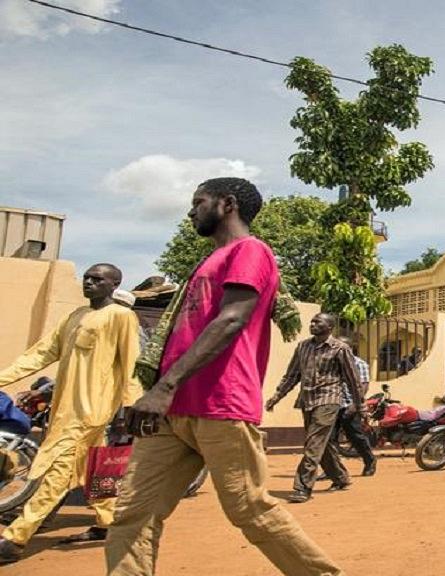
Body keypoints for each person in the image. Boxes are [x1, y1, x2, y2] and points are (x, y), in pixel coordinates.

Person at [105, 178, 341, 575]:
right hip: (172, 411)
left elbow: (232, 319)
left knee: (250, 510)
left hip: (220, 405)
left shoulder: (251, 251)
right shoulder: (205, 263)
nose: (191, 211)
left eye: (199, 202)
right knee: (133, 513)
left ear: (227, 204)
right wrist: (158, 392)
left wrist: (164, 386)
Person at [0, 263, 141, 564]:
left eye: (98, 279)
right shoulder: (75, 316)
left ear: (114, 284)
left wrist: (132, 408)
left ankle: (16, 537)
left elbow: (131, 364)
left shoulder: (121, 316)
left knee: (59, 473)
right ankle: (106, 521)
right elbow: (41, 353)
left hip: (92, 411)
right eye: (87, 278)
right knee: (97, 468)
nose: (89, 283)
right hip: (66, 410)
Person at [266, 312, 364, 502]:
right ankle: (340, 477)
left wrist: (359, 405)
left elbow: (353, 380)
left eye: (317, 322)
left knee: (313, 444)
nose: (312, 324)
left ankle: (302, 487)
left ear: (329, 327)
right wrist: (277, 396)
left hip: (329, 400)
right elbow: (292, 375)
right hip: (307, 400)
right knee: (323, 443)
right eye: (312, 321)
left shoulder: (340, 348)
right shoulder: (303, 346)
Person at [330, 336, 377, 476]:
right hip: (332, 404)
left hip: (350, 405)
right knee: (329, 439)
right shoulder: (331, 363)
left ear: (349, 349)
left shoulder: (359, 363)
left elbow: (363, 386)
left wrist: (355, 405)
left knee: (355, 436)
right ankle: (332, 469)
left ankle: (369, 460)